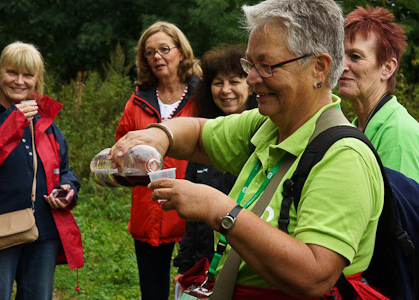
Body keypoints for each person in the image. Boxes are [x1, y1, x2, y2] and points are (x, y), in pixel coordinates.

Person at [110, 0, 385, 299]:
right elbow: (200, 134)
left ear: (318, 67)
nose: (251, 79)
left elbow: (314, 277)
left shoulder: (343, 157)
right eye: (250, 64)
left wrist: (219, 210)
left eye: (266, 66)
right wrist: (160, 135)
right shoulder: (267, 126)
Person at [115, 21, 202, 300]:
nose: (157, 57)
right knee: (152, 293)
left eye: (164, 49)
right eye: (150, 52)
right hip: (149, 209)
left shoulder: (203, 96)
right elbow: (120, 147)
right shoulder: (137, 101)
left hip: (197, 209)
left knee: (200, 288)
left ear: (181, 52)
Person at [0, 41, 83, 300]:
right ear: (0, 72)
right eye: (12, 72)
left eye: (28, 75)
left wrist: (67, 189)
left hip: (42, 228)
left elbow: (64, 169)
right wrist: (13, 120)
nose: (19, 81)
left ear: (37, 79)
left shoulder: (43, 118)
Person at [172, 43, 257, 292]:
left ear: (251, 86)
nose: (225, 90)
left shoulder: (264, 142)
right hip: (203, 272)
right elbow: (192, 222)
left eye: (234, 81)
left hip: (244, 273)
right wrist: (184, 267)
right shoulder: (204, 143)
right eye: (218, 82)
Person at [339, 6, 419, 195]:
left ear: (387, 68)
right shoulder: (356, 128)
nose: (342, 66)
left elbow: (398, 221)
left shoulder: (399, 135)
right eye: (340, 55)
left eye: (355, 57)